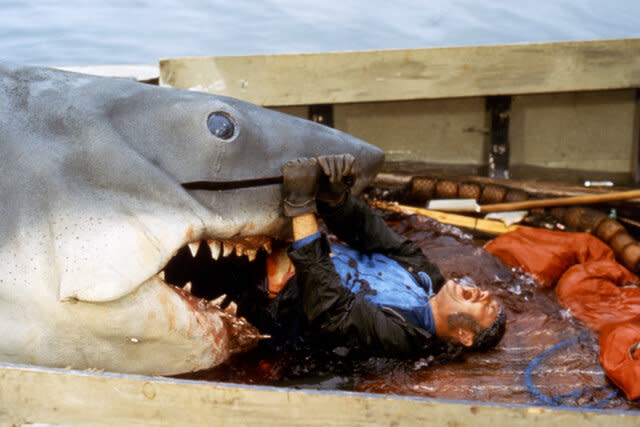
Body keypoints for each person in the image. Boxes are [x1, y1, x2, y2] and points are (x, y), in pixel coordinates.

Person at [246, 155, 506, 360]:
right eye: (488, 295)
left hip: (260, 293)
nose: (483, 294)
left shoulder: (403, 338)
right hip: (275, 246)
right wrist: (334, 197)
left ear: (464, 335)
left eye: (488, 307)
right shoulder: (425, 274)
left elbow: (332, 311)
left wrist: (301, 207)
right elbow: (370, 232)